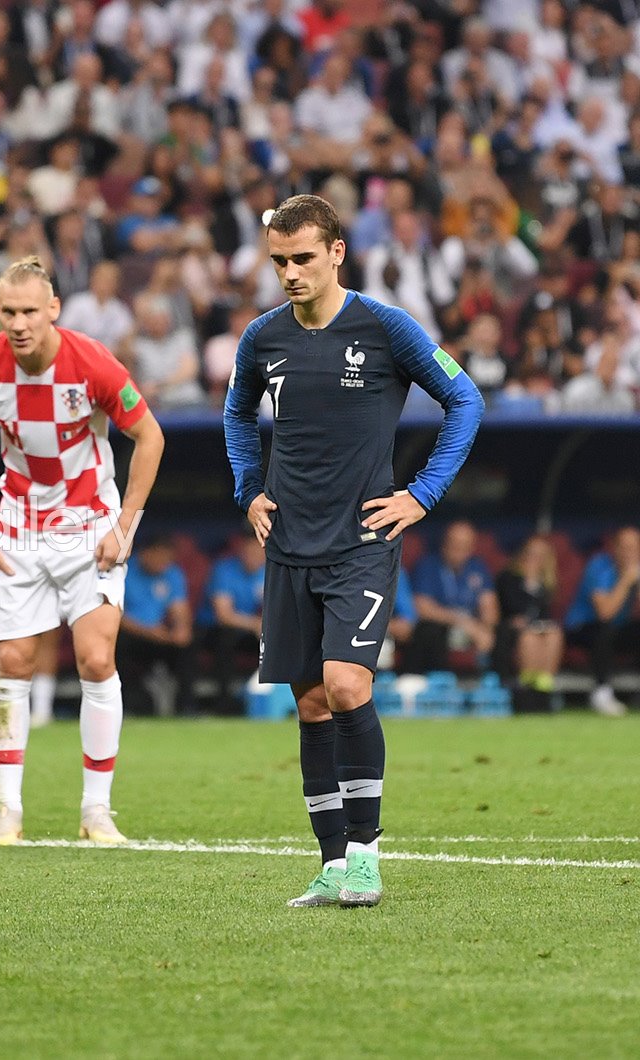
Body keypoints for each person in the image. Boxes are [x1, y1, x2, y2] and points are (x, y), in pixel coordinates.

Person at [224, 194, 483, 907]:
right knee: (309, 703)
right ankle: (332, 864)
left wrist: (422, 494)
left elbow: (466, 399)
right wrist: (249, 489)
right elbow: (236, 412)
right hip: (287, 541)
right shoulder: (263, 338)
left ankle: (367, 855)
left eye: (303, 258)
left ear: (337, 251)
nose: (290, 273)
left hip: (361, 540)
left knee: (346, 686)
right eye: (278, 261)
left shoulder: (386, 327)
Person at [0, 255, 165, 846]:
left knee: (97, 659)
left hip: (88, 524)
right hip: (18, 526)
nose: (19, 323)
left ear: (52, 310)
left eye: (30, 311)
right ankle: (7, 813)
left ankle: (96, 812)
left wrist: (124, 524)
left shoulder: (92, 361)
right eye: (8, 312)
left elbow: (150, 436)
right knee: (14, 663)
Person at [565, 526, 640, 717]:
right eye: (625, 547)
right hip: (582, 628)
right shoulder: (598, 566)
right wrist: (626, 580)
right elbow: (605, 613)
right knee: (605, 630)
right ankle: (602, 692)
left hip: (617, 628)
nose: (629, 553)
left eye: (634, 548)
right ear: (614, 548)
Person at [117, 535, 196, 716]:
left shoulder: (172, 573)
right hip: (133, 634)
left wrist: (182, 629)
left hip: (162, 635)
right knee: (117, 643)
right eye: (159, 557)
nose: (163, 563)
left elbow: (179, 609)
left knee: (189, 644)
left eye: (167, 558)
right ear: (145, 554)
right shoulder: (124, 571)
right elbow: (116, 616)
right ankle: (130, 706)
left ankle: (187, 708)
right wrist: (148, 632)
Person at [408, 521, 499, 674]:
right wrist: (464, 623)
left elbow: (489, 606)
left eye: (465, 545)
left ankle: (497, 686)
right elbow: (422, 607)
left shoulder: (477, 567)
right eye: (455, 544)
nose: (459, 550)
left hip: (472, 626)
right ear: (444, 543)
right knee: (430, 631)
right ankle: (439, 683)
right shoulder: (429, 565)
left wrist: (486, 628)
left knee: (501, 633)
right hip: (444, 625)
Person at [493, 533, 562, 699]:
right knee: (529, 637)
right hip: (509, 630)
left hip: (537, 627)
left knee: (553, 635)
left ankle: (545, 683)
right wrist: (527, 582)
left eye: (540, 556)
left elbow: (544, 612)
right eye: (531, 554)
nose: (534, 559)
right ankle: (528, 685)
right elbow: (511, 607)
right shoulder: (508, 578)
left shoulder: (546, 583)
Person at [203, 536, 266, 713]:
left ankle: (268, 700)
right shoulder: (225, 569)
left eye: (258, 553)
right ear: (241, 552)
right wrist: (255, 624)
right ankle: (225, 704)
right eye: (249, 553)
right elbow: (224, 616)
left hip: (252, 630)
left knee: (278, 639)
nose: (253, 558)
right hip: (217, 629)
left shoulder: (269, 571)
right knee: (225, 640)